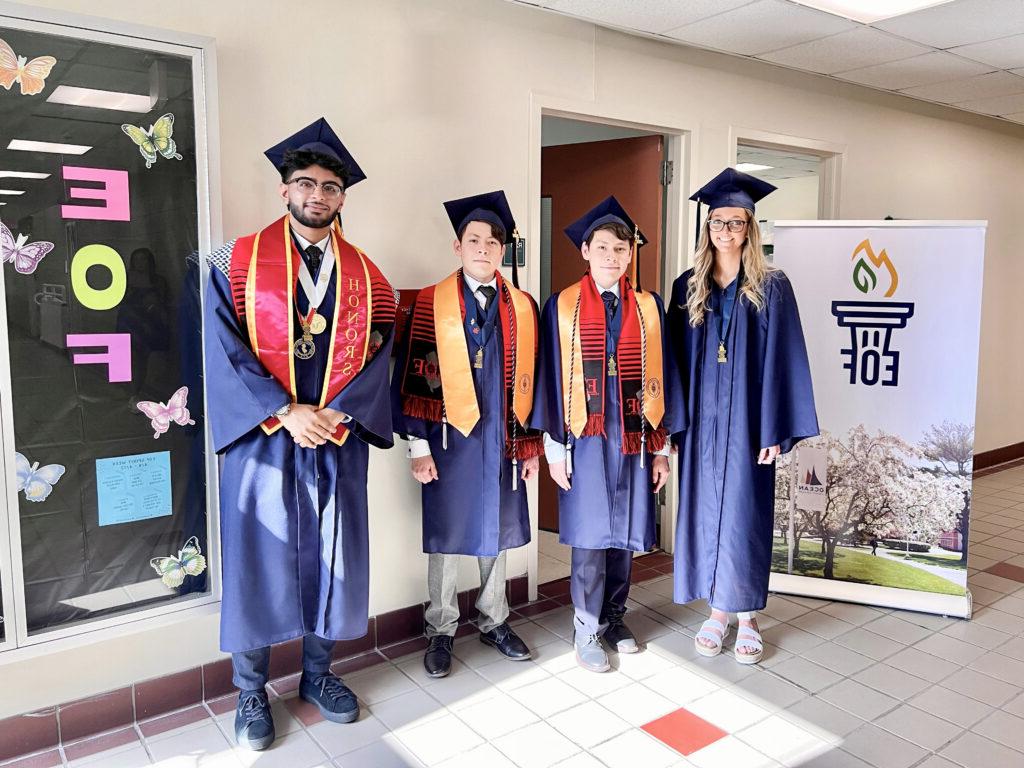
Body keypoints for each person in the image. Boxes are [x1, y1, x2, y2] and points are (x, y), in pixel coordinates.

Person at [203, 118, 396, 750]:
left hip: (334, 437)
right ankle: (251, 691)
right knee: (259, 558)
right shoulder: (233, 263)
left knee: (333, 558)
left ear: (344, 197)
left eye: (331, 186)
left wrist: (337, 412)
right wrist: (285, 411)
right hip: (264, 438)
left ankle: (318, 675)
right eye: (305, 183)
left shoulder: (371, 277)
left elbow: (379, 353)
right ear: (284, 190)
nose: (318, 195)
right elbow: (223, 350)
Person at [665, 168, 818, 665]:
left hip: (750, 425)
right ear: (707, 228)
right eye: (717, 222)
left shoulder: (772, 286)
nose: (725, 231)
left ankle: (748, 615)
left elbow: (786, 358)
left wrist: (775, 428)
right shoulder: (687, 287)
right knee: (704, 512)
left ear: (750, 228)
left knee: (745, 516)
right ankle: (716, 611)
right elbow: (671, 362)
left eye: (735, 222)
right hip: (701, 425)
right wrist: (672, 426)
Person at [391, 191, 542, 677]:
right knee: (447, 536)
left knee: (494, 531)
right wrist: (417, 446)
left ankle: (495, 618)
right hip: (448, 443)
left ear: (503, 250)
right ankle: (441, 627)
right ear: (458, 247)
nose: (483, 248)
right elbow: (413, 376)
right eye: (473, 240)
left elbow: (537, 383)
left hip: (502, 440)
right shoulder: (429, 304)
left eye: (493, 241)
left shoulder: (524, 307)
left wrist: (530, 445)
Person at [531, 196, 674, 673]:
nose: (613, 257)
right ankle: (586, 626)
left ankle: (615, 617)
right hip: (585, 439)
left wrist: (660, 451)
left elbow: (664, 381)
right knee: (592, 537)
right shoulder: (563, 307)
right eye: (604, 248)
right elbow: (551, 381)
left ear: (631, 254)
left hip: (633, 439)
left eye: (622, 248)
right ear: (586, 251)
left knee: (626, 534)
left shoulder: (650, 308)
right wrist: (554, 450)